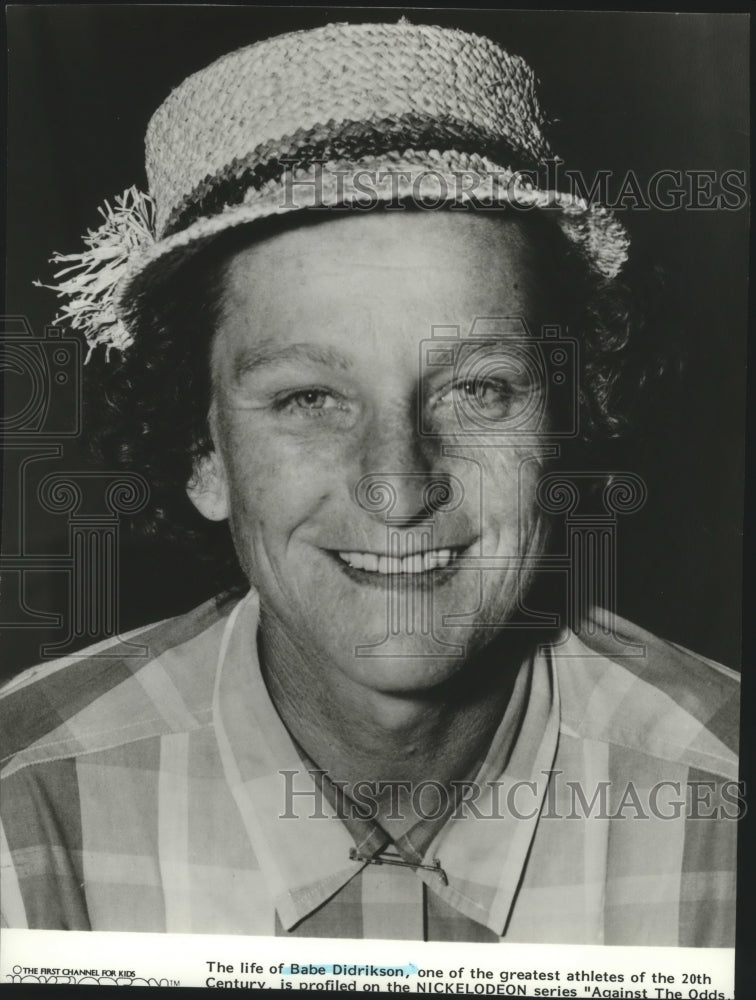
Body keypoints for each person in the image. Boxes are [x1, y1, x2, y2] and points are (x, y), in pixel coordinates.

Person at [0, 20, 739, 944]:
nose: (397, 486)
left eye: (477, 390)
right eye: (310, 396)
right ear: (202, 452)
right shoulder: (22, 804)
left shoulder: (723, 801)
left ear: (566, 426)